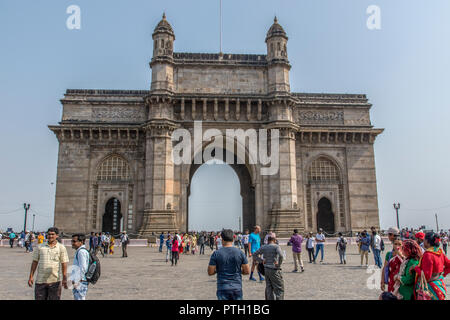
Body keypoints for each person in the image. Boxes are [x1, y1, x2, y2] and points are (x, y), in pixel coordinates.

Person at [28, 227, 69, 300]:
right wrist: (31, 276)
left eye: (53, 234)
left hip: (55, 281)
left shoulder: (61, 247)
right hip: (40, 280)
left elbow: (64, 263)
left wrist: (64, 278)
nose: (50, 236)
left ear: (57, 235)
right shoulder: (40, 247)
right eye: (49, 234)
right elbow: (35, 262)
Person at [208, 229, 250, 300]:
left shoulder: (216, 253)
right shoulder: (240, 253)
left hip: (222, 288)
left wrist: (218, 270)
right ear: (233, 239)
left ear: (222, 239)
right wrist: (238, 271)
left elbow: (210, 272)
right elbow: (247, 271)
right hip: (237, 288)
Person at [414, 232, 450, 300]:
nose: (423, 241)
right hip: (439, 285)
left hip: (431, 289)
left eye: (424, 240)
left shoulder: (428, 254)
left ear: (427, 242)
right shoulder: (440, 252)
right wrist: (442, 275)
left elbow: (426, 276)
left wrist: (416, 268)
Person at [253, 235, 284, 300]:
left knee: (269, 288)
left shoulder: (263, 247)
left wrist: (261, 261)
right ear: (274, 240)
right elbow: (281, 255)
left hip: (266, 269)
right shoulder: (276, 246)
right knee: (279, 289)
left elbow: (255, 254)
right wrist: (278, 264)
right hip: (274, 269)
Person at [70, 233, 90, 300]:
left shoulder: (81, 252)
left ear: (81, 242)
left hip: (80, 281)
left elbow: (83, 267)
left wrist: (78, 281)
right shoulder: (80, 251)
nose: (72, 243)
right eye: (72, 241)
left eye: (74, 241)